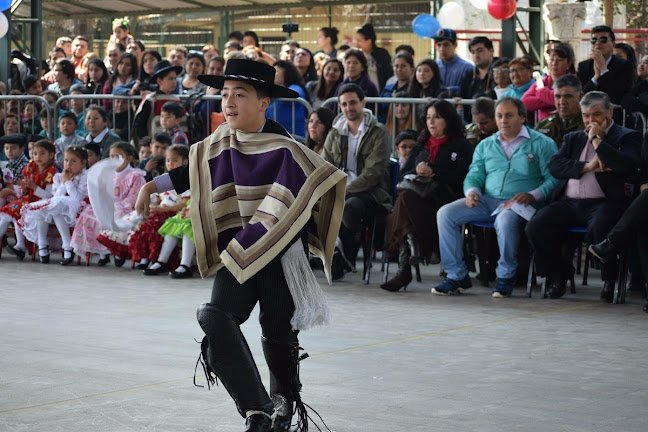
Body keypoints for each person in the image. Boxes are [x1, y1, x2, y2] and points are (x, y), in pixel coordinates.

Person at [134, 58, 345, 432]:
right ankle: (257, 409)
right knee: (215, 319)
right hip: (240, 252)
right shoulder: (220, 143)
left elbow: (319, 182)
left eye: (240, 95)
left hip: (281, 255)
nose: (228, 102)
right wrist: (152, 186)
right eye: (225, 95)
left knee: (278, 335)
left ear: (264, 102)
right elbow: (192, 168)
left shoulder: (286, 149)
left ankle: (283, 404)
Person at [433, 97, 559, 297]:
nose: (503, 121)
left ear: (522, 118)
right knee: (445, 213)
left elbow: (554, 179)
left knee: (505, 219)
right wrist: (472, 191)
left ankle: (506, 276)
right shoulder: (486, 145)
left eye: (509, 116)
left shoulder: (542, 144)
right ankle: (456, 274)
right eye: (499, 116)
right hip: (489, 200)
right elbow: (474, 173)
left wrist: (533, 195)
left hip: (521, 203)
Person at [526, 91, 641, 300]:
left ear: (610, 112)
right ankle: (559, 273)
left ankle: (609, 280)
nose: (590, 121)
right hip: (569, 203)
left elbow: (624, 165)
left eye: (596, 114)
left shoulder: (627, 136)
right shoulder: (574, 138)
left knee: (602, 226)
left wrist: (597, 140)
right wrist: (586, 167)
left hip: (604, 202)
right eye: (586, 116)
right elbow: (555, 165)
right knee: (536, 225)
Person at [381, 100, 474, 292]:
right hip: (418, 201)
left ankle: (405, 266)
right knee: (406, 199)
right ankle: (409, 252)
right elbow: (401, 175)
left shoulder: (461, 145)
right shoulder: (421, 145)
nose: (431, 122)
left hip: (445, 201)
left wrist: (434, 171)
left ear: (448, 120)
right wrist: (416, 169)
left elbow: (464, 176)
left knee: (403, 203)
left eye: (437, 117)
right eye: (429, 118)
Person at [322, 83, 391, 276]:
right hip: (338, 189)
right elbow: (324, 165)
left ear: (363, 102)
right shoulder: (335, 132)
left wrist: (345, 190)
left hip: (370, 192)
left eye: (353, 103)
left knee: (348, 207)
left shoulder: (378, 132)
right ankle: (334, 256)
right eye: (344, 104)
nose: (348, 108)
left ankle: (346, 256)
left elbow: (373, 173)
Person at [20, 146, 88, 265]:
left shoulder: (85, 176)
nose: (68, 164)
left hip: (79, 209)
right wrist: (64, 181)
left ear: (83, 163)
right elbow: (56, 196)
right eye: (66, 160)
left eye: (73, 161)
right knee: (43, 209)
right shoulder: (59, 176)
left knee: (55, 208)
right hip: (61, 208)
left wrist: (68, 181)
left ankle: (67, 245)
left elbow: (77, 198)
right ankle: (42, 244)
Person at [130, 145, 189, 271]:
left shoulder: (186, 181)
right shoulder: (164, 178)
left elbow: (184, 204)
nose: (170, 164)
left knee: (154, 227)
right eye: (168, 160)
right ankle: (145, 258)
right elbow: (158, 198)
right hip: (160, 211)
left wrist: (161, 210)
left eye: (175, 160)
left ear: (186, 162)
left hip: (173, 213)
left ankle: (159, 260)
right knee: (142, 225)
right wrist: (153, 206)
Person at [0, 140, 57, 261]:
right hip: (26, 199)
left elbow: (49, 196)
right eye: (35, 153)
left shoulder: (51, 172)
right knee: (8, 213)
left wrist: (34, 188)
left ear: (51, 155)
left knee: (16, 212)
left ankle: (20, 246)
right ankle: (20, 245)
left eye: (42, 153)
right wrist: (24, 189)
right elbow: (23, 191)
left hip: (40, 203)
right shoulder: (30, 167)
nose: (38, 157)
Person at [95, 142, 147, 266]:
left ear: (129, 158)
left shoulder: (135, 176)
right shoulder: (108, 174)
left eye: (118, 156)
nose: (114, 160)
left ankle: (118, 251)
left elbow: (135, 196)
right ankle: (103, 253)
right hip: (111, 205)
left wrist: (116, 205)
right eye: (112, 156)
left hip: (126, 207)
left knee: (115, 213)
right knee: (92, 212)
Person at [577, 26, 635, 110]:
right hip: (588, 114)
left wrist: (604, 70)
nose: (598, 43)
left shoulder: (624, 65)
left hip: (615, 115)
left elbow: (618, 95)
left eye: (603, 40)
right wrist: (596, 77)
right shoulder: (583, 66)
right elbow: (582, 95)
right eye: (594, 40)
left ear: (613, 44)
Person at [132, 60, 182, 144]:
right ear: (159, 81)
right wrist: (145, 143)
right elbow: (139, 125)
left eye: (175, 78)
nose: (174, 82)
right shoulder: (150, 100)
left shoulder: (177, 100)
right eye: (170, 78)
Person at [522, 43, 575, 122]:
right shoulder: (542, 81)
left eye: (559, 60)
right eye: (551, 60)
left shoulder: (573, 80)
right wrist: (551, 99)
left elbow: (569, 102)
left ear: (568, 64)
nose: (554, 63)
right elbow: (525, 102)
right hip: (544, 127)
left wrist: (541, 92)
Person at [534, 75, 585, 148]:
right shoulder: (544, 125)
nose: (562, 102)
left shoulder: (587, 125)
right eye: (557, 97)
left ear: (580, 97)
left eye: (568, 96)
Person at [267, 60, 309, 138]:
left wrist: (268, 90)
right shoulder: (269, 92)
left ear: (287, 73)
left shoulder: (296, 87)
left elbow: (293, 94)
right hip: (273, 137)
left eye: (276, 71)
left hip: (293, 138)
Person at [434, 28, 473, 98]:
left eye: (446, 45)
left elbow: (467, 90)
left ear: (455, 45)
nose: (442, 49)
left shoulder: (467, 67)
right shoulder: (433, 66)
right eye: (439, 45)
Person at [407, 59, 448, 124]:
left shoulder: (442, 92)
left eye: (426, 71)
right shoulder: (412, 90)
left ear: (434, 73)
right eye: (419, 70)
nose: (422, 74)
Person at [354, 24, 392, 92]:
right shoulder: (357, 56)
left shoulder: (382, 54)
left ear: (369, 41)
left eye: (359, 41)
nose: (356, 44)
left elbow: (388, 74)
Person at [378, 52, 414, 123]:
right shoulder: (387, 88)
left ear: (412, 68)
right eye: (396, 66)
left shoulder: (415, 89)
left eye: (403, 66)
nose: (399, 69)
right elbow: (379, 110)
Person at [459, 36, 496, 104]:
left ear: (491, 51)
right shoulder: (469, 74)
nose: (476, 55)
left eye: (480, 50)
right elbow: (462, 95)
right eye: (473, 52)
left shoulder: (499, 72)